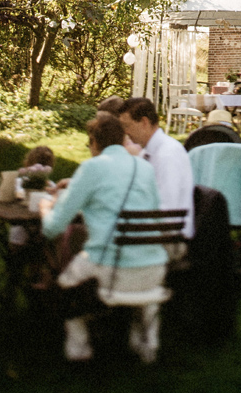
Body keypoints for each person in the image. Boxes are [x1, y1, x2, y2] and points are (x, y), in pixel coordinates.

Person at [41, 113, 168, 363]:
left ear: (94, 142)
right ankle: (146, 343)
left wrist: (45, 210)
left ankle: (79, 348)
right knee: (105, 257)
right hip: (154, 269)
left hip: (112, 272)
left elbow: (53, 228)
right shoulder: (144, 167)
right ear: (122, 140)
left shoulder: (92, 167)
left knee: (65, 279)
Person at [120, 97, 194, 239]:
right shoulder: (152, 151)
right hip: (154, 231)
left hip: (169, 238)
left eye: (127, 126)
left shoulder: (168, 154)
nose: (125, 133)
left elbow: (168, 212)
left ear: (144, 122)